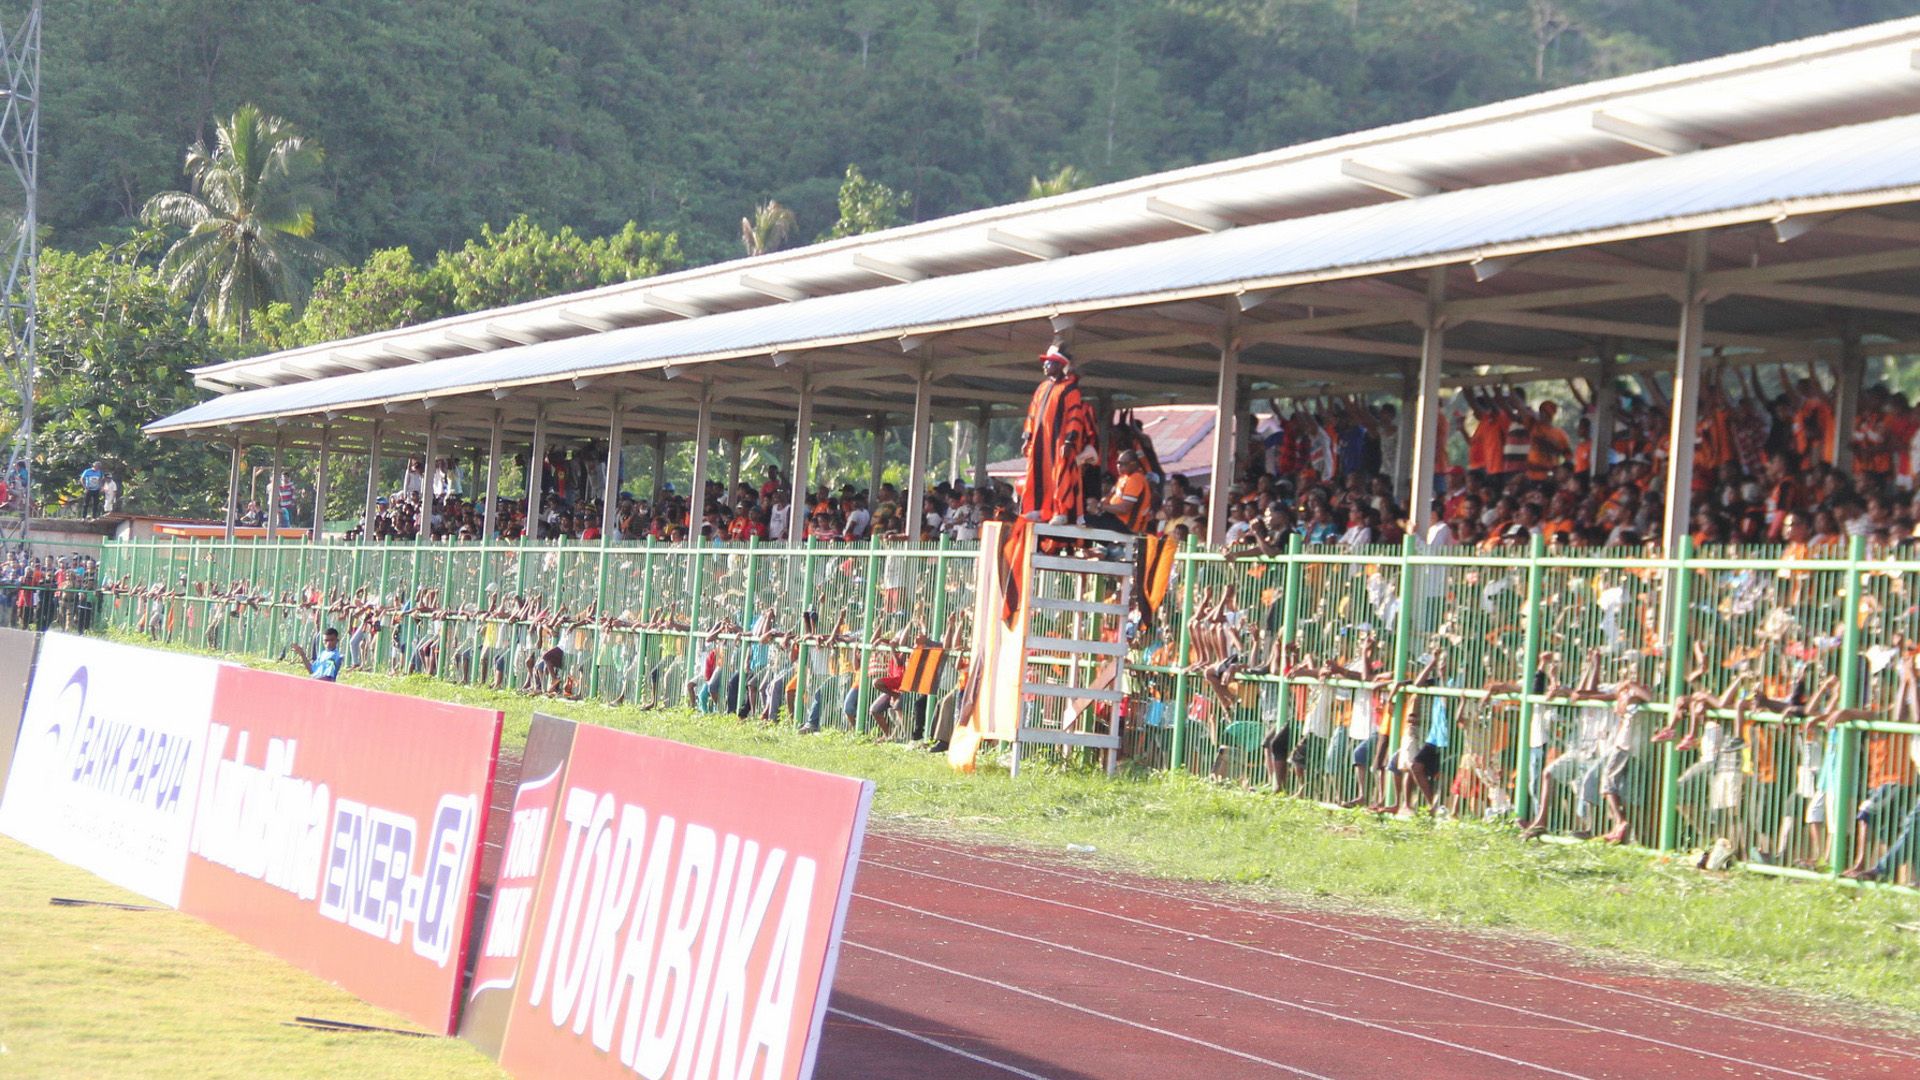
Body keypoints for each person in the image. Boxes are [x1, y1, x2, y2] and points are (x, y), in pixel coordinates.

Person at [1018, 343, 1097, 525]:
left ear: (1060, 365)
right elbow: (1032, 413)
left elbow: (1074, 416)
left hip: (1058, 441)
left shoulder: (1070, 389)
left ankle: (1060, 511)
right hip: (1039, 440)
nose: (1045, 366)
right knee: (1036, 474)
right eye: (1045, 363)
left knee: (1059, 476)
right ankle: (1037, 509)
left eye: (1049, 363)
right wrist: (1027, 437)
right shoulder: (1042, 387)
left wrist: (1070, 440)